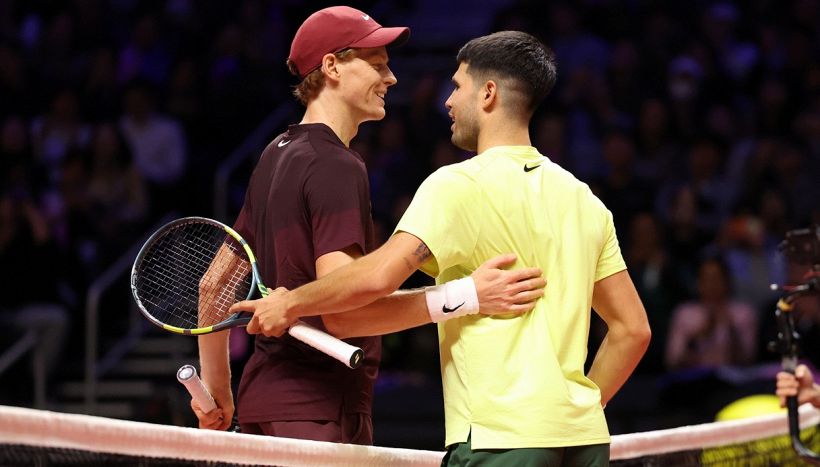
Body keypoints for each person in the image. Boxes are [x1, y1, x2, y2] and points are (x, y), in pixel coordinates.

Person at [231, 31, 651, 465]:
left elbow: (374, 280)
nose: (448, 102)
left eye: (457, 86)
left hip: (499, 437)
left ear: (488, 94)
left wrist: (291, 302)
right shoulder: (585, 200)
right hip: (584, 440)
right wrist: (577, 411)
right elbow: (633, 330)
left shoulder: (456, 185)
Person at [193, 8, 545, 446]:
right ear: (332, 66)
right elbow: (345, 312)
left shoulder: (274, 154)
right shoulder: (336, 164)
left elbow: (213, 286)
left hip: (262, 406)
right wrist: (466, 296)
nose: (391, 78)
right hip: (319, 411)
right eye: (377, 65)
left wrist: (219, 392)